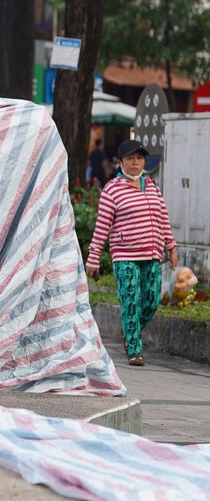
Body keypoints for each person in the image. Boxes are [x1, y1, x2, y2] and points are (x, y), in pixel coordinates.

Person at [86, 137, 177, 368]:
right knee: (130, 302)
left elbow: (163, 218)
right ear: (120, 162)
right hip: (125, 256)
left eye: (139, 158)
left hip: (152, 255)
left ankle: (129, 331)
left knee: (152, 301)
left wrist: (171, 246)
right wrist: (93, 259)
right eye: (130, 158)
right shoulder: (112, 190)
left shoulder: (152, 186)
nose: (135, 162)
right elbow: (102, 227)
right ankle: (134, 348)